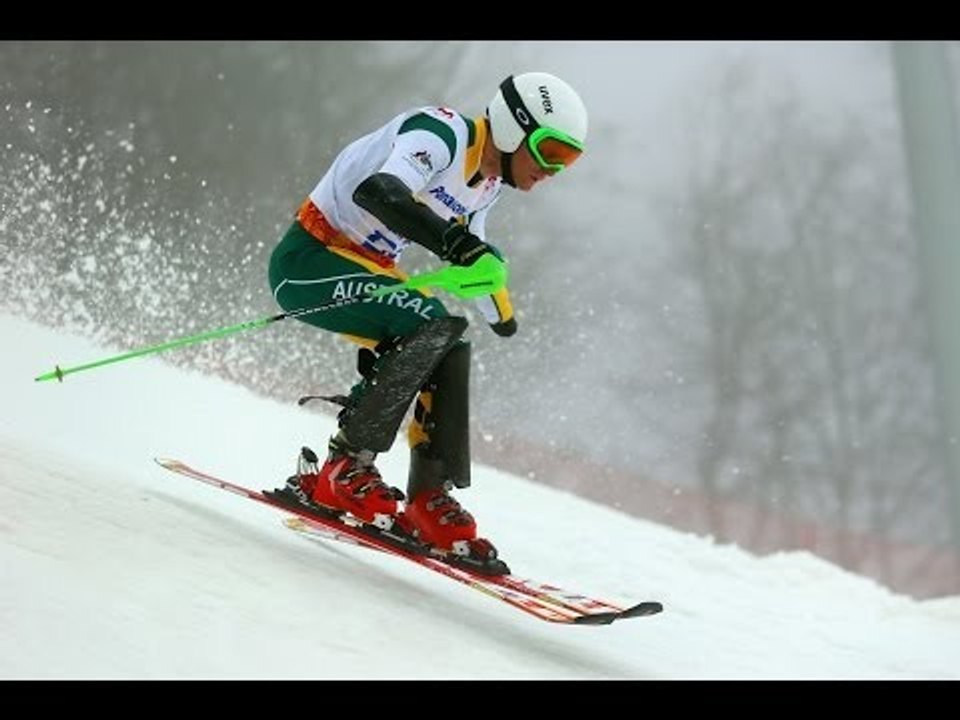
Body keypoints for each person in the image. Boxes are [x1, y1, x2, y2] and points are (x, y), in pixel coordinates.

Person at [267, 71, 588, 571]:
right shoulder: (439, 135)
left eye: (568, 160)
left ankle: (426, 499)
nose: (553, 170)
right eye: (550, 152)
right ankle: (344, 466)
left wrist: (495, 304)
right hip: (311, 258)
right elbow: (380, 192)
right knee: (430, 321)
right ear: (512, 128)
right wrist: (458, 245)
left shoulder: (488, 185)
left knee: (450, 341)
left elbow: (472, 250)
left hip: (368, 269)